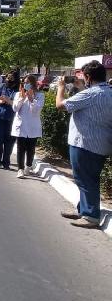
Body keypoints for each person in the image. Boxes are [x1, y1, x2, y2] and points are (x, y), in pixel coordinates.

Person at [56, 60, 112, 229]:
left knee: (85, 179)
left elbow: (60, 105)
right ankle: (83, 209)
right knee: (89, 178)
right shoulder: (108, 92)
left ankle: (90, 216)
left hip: (84, 144)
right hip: (101, 144)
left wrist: (60, 87)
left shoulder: (90, 94)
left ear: (88, 77)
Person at [11, 74, 45, 179]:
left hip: (32, 126)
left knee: (31, 148)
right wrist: (22, 97)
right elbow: (15, 108)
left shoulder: (40, 95)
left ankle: (28, 166)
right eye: (24, 82)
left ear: (33, 84)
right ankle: (20, 169)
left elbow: (36, 110)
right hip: (21, 125)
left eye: (28, 82)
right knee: (20, 148)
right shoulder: (18, 94)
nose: (26, 84)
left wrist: (31, 98)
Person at [0, 71, 19, 169]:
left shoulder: (18, 90)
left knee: (9, 141)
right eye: (7, 78)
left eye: (11, 78)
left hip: (12, 118)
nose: (8, 80)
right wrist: (1, 101)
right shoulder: (2, 86)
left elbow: (18, 105)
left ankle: (6, 162)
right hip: (0, 116)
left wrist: (8, 100)